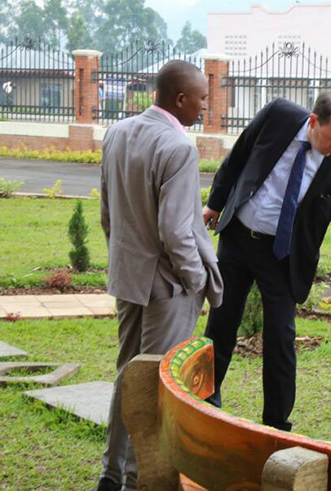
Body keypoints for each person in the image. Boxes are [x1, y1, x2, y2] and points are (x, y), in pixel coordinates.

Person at [202, 91, 331, 432]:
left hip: (282, 257)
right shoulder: (278, 115)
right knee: (221, 325)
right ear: (314, 121)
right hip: (238, 239)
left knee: (281, 339)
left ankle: (276, 424)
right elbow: (238, 157)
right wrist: (215, 203)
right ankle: (206, 399)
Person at [97, 60, 223, 491]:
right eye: (203, 98)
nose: (206, 106)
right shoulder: (178, 147)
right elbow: (176, 230)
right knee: (152, 383)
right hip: (167, 285)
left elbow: (108, 215)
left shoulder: (117, 132)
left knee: (126, 374)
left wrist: (126, 260)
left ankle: (111, 474)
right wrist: (193, 280)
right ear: (181, 98)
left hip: (128, 274)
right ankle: (136, 481)